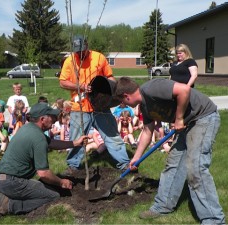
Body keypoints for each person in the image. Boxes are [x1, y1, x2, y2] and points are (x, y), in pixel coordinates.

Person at [115, 77, 225, 224]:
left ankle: (214, 219)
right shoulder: (145, 106)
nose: (123, 104)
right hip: (185, 123)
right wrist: (136, 156)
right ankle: (163, 205)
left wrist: (179, 118)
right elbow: (148, 131)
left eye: (122, 101)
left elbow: (184, 90)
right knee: (173, 164)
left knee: (196, 168)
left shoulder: (152, 88)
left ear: (126, 96)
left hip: (202, 117)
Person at [0, 102, 87, 219]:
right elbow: (44, 174)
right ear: (42, 119)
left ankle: (2, 195)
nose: (54, 120)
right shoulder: (38, 138)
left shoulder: (28, 128)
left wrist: (75, 143)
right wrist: (61, 182)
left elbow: (51, 142)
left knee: (40, 187)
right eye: (51, 117)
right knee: (52, 196)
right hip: (11, 181)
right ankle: (9, 205)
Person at [59, 35, 129, 173]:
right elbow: (62, 82)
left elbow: (109, 76)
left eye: (82, 50)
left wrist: (112, 88)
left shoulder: (99, 57)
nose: (80, 53)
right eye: (77, 51)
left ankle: (124, 163)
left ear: (87, 46)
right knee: (77, 138)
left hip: (100, 105)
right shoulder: (69, 61)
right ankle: (73, 165)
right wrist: (80, 86)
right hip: (79, 107)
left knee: (111, 134)